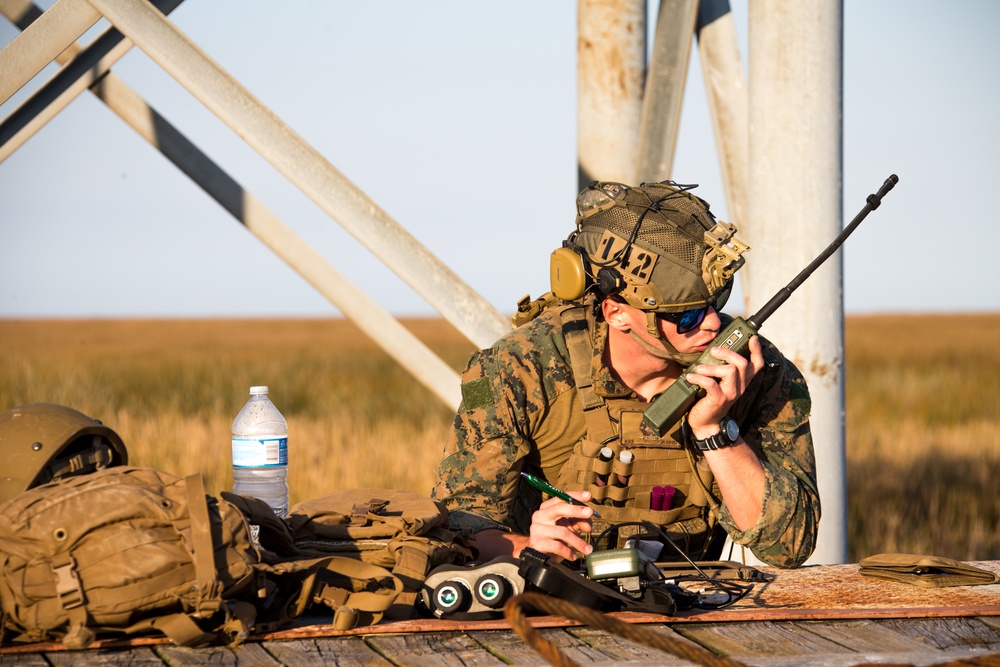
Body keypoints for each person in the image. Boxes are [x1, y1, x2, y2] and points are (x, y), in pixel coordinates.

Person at [431, 180, 819, 568]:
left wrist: (715, 433)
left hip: (692, 600)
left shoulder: (752, 369)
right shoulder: (519, 368)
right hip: (548, 596)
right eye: (685, 315)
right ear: (616, 312)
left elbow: (789, 546)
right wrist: (526, 546)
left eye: (715, 302)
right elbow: (457, 534)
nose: (712, 323)